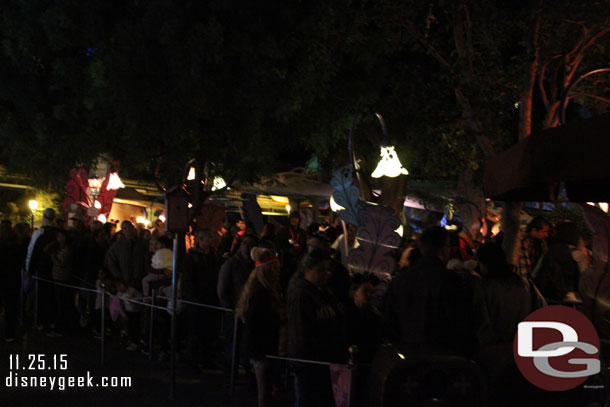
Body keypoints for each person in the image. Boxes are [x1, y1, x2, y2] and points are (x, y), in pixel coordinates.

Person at [384, 226, 482, 357]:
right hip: (439, 358)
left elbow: (389, 319)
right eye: (448, 246)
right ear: (443, 249)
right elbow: (460, 323)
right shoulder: (449, 280)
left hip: (407, 356)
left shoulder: (400, 280)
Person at [287, 249, 346, 407]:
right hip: (311, 363)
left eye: (327, 270)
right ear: (307, 270)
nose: (326, 274)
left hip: (325, 361)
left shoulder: (324, 291)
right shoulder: (301, 295)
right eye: (320, 270)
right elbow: (300, 332)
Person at [237, 247, 283, 407]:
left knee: (266, 389)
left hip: (264, 347)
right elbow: (255, 324)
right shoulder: (261, 293)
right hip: (262, 349)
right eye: (275, 268)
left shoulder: (264, 289)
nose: (278, 272)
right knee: (264, 391)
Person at [477, 242, 546, 346]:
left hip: (496, 350)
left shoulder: (484, 288)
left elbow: (482, 322)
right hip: (525, 344)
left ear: (485, 264)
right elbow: (542, 309)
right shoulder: (525, 283)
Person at [182, 229, 222, 369]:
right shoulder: (192, 257)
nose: (209, 241)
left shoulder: (214, 255)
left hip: (210, 298)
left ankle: (207, 358)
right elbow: (187, 279)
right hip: (197, 299)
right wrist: (193, 296)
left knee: (209, 330)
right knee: (196, 330)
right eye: (207, 238)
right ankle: (194, 360)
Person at [25, 208, 58, 329]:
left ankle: (40, 321)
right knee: (52, 297)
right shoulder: (58, 233)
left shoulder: (39, 232)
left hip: (42, 269)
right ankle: (51, 320)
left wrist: (29, 269)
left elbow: (31, 251)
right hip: (54, 269)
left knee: (41, 296)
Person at [44, 229, 75, 337]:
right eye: (58, 237)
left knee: (62, 303)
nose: (59, 239)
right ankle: (60, 325)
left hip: (63, 278)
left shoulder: (67, 249)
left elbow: (61, 263)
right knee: (59, 302)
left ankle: (61, 328)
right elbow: (45, 250)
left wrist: (53, 256)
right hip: (57, 277)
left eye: (61, 236)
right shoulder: (58, 247)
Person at [107, 220, 147, 291]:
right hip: (124, 277)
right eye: (125, 228)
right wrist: (118, 275)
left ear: (133, 228)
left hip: (139, 277)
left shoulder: (142, 243)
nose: (128, 230)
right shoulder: (117, 246)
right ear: (122, 231)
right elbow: (111, 261)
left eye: (129, 227)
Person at [276, 211, 307, 292]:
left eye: (296, 218)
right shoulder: (283, 231)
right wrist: (288, 251)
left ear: (299, 220)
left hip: (298, 263)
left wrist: (301, 250)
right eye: (292, 218)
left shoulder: (302, 233)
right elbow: (278, 246)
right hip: (286, 262)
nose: (294, 220)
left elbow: (305, 247)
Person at [0, 224, 21, 342]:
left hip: (3, 279)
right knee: (10, 308)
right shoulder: (16, 247)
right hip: (12, 280)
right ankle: (9, 333)